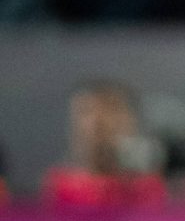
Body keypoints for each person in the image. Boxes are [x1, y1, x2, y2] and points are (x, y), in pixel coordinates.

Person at [43, 80, 167, 209]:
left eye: (111, 110)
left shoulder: (152, 186)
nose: (97, 122)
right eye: (86, 111)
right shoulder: (59, 186)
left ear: (132, 120)